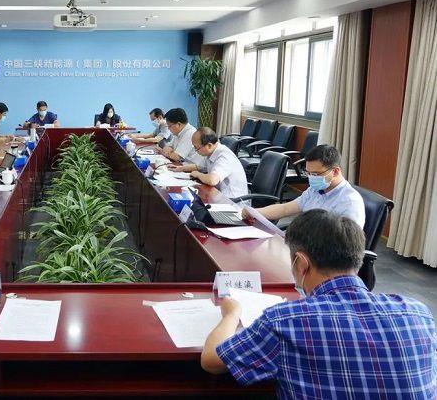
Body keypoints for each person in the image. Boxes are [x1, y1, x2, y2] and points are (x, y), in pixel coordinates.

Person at [201, 209, 436, 399]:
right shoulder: (418, 314)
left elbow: (212, 360)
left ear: (301, 263)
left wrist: (231, 314)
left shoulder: (285, 321)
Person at [242, 144, 365, 227]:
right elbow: (286, 209)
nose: (311, 178)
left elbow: (345, 245)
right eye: (308, 173)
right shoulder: (315, 190)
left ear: (335, 172)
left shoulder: (350, 203)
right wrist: (255, 212)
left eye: (316, 174)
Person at [170, 127, 248, 199]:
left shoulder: (224, 156)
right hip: (218, 194)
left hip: (232, 201)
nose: (195, 151)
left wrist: (198, 174)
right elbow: (198, 166)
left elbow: (212, 180)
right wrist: (180, 168)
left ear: (209, 145)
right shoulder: (211, 152)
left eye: (196, 148)